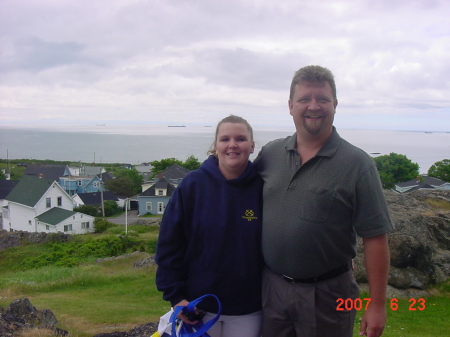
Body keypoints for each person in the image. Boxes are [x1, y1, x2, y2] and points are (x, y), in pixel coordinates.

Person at [253, 65, 394, 337]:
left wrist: (377, 305)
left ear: (335, 105)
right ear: (291, 105)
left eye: (322, 99)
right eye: (305, 99)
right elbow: (238, 193)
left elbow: (375, 237)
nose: (313, 106)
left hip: (329, 294)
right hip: (271, 288)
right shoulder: (270, 153)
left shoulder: (357, 164)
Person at [155, 115, 264, 337]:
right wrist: (176, 297)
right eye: (225, 139)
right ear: (215, 146)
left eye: (241, 139)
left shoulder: (264, 188)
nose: (232, 145)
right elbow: (169, 245)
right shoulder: (192, 185)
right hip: (197, 308)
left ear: (252, 146)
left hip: (248, 310)